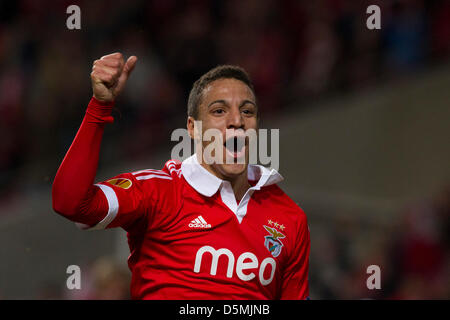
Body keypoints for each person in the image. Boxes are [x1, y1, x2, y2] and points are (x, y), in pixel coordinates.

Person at [52, 52, 310, 299]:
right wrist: (99, 108)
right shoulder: (158, 191)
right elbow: (71, 203)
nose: (237, 120)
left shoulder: (289, 217)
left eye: (248, 111)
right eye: (219, 111)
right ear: (193, 128)